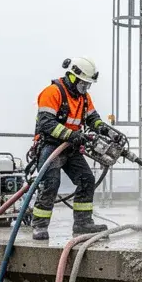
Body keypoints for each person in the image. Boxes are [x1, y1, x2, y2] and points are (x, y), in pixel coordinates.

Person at [30, 56, 125, 240]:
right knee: (51, 183)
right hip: (51, 145)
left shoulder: (84, 98)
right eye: (84, 84)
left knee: (86, 179)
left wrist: (108, 131)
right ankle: (39, 226)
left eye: (88, 85)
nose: (86, 88)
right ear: (73, 78)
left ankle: (83, 223)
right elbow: (46, 124)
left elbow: (92, 119)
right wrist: (72, 135)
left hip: (71, 146)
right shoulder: (52, 92)